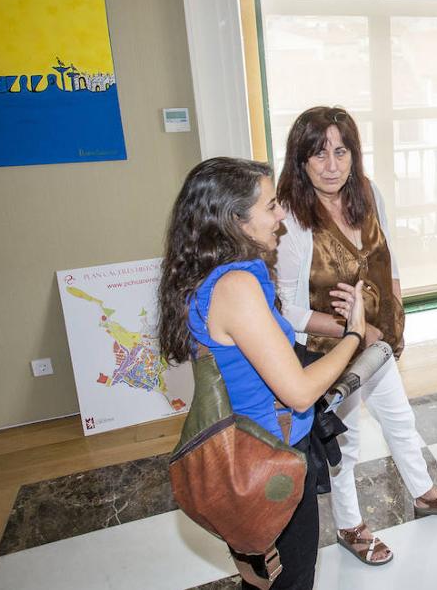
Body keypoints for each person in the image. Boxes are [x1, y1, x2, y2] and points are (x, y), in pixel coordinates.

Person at [157, 157, 381, 590]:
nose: (281, 216)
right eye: (271, 206)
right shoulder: (235, 288)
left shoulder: (216, 275)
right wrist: (353, 334)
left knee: (267, 578)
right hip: (269, 457)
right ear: (235, 221)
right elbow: (298, 393)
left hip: (255, 448)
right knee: (291, 579)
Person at [276, 106, 437, 566]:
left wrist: (395, 312)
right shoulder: (293, 219)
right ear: (300, 160)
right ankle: (349, 525)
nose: (332, 165)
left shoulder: (366, 192)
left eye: (341, 151)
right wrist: (350, 329)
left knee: (399, 418)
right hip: (331, 352)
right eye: (319, 153)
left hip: (377, 342)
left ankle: (423, 492)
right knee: (345, 443)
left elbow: (389, 257)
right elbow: (288, 311)